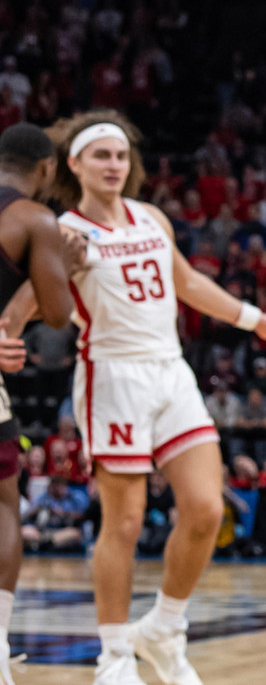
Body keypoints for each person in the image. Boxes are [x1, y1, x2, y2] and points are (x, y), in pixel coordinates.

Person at [48, 110, 266, 685]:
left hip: (170, 370)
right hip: (112, 377)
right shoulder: (66, 230)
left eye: (120, 156)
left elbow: (188, 284)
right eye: (101, 156)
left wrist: (258, 320)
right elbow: (50, 303)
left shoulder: (151, 218)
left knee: (207, 509)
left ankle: (163, 630)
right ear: (75, 164)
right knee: (125, 521)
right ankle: (113, 657)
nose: (114, 165)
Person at [0, 123, 78, 683]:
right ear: (48, 169)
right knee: (4, 506)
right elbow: (56, 313)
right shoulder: (33, 219)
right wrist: (66, 262)